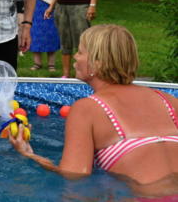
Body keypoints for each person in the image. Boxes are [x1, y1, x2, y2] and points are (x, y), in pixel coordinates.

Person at [9, 24, 178, 198]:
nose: (75, 56)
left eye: (80, 52)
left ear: (97, 63)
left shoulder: (87, 109)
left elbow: (74, 179)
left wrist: (30, 155)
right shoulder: (170, 101)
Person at [29, 0, 60, 71]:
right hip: (35, 11)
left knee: (51, 36)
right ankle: (37, 63)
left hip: (51, 11)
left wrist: (51, 8)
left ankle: (51, 64)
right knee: (36, 36)